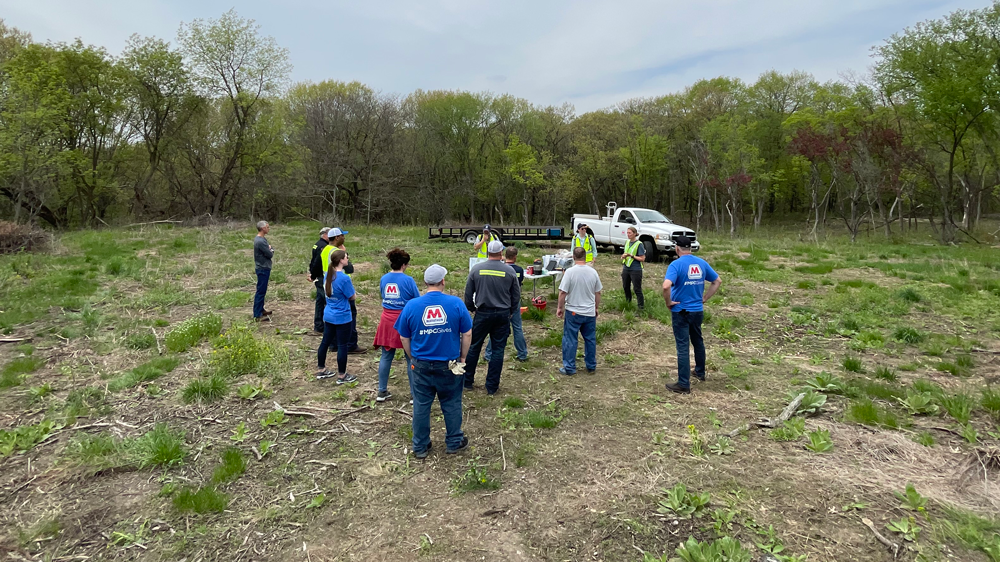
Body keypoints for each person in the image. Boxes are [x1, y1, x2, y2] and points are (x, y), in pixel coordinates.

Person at [395, 264, 472, 459]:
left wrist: (412, 356)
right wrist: (463, 357)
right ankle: (454, 441)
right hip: (450, 364)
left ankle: (420, 446)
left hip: (421, 364)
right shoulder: (455, 304)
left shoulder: (412, 305)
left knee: (421, 404)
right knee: (452, 402)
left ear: (425, 283)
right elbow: (467, 333)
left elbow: (404, 337)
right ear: (443, 281)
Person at [662, 236, 721, 394]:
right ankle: (700, 372)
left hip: (681, 311)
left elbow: (666, 286)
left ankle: (683, 384)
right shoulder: (701, 263)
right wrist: (705, 298)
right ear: (690, 248)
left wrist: (668, 302)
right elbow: (717, 281)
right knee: (697, 341)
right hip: (697, 310)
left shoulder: (676, 265)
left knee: (682, 347)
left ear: (677, 248)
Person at [463, 240, 521, 395]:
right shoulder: (509, 272)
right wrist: (510, 312)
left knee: (474, 347)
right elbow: (516, 296)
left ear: (488, 252)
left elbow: (468, 294)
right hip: (502, 315)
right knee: (497, 350)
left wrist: (472, 308)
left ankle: (467, 381)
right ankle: (492, 387)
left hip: (482, 313)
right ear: (501, 252)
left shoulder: (476, 270)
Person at [373, 248, 420, 402]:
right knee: (410, 357)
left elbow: (382, 294)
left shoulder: (384, 278)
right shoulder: (408, 280)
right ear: (404, 264)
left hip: (386, 320)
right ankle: (414, 394)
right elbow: (416, 300)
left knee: (386, 355)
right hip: (404, 320)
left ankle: (382, 391)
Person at [557, 247, 602, 375]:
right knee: (590, 339)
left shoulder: (570, 272)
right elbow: (598, 292)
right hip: (589, 312)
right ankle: (591, 365)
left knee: (570, 339)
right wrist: (596, 307)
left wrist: (560, 308)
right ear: (585, 256)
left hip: (573, 312)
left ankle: (570, 367)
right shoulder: (593, 272)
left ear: (574, 257)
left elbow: (562, 292)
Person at [315, 250, 359, 385]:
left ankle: (321, 369)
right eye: (346, 257)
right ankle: (342, 375)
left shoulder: (328, 274)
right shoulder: (344, 278)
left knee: (325, 342)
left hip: (328, 314)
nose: (348, 259)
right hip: (342, 316)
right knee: (342, 345)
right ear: (341, 260)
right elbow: (352, 296)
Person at [484, 246, 527, 363]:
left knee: (495, 329)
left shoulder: (500, 268)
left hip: (501, 302)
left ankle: (488, 353)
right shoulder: (519, 270)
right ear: (515, 257)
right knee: (517, 327)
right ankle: (522, 353)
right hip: (514, 301)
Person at [327, 228, 366, 354]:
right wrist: (344, 253)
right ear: (337, 237)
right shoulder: (338, 252)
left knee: (332, 319)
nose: (344, 237)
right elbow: (349, 269)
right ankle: (350, 345)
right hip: (341, 289)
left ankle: (333, 345)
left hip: (328, 287)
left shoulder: (324, 250)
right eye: (342, 235)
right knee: (350, 317)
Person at [308, 226, 331, 333]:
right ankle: (327, 326)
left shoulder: (317, 244)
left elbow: (313, 261)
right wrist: (313, 275)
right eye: (329, 234)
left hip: (318, 276)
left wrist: (312, 273)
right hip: (321, 277)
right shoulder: (323, 246)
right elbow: (317, 262)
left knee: (320, 301)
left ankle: (318, 325)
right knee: (327, 300)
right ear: (325, 234)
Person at [621, 227, 646, 311]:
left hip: (636, 269)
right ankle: (628, 303)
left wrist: (631, 256)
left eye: (630, 233)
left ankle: (641, 307)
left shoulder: (639, 244)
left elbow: (642, 258)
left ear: (635, 233)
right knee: (625, 286)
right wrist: (623, 256)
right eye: (627, 233)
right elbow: (626, 252)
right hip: (626, 267)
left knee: (637, 288)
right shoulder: (627, 242)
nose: (628, 234)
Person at [253, 221, 274, 322]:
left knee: (262, 290)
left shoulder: (261, 239)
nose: (268, 228)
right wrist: (271, 249)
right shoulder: (260, 241)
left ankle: (261, 309)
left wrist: (269, 248)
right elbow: (269, 254)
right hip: (262, 268)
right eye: (267, 227)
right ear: (262, 228)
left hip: (263, 267)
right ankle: (257, 314)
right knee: (261, 291)